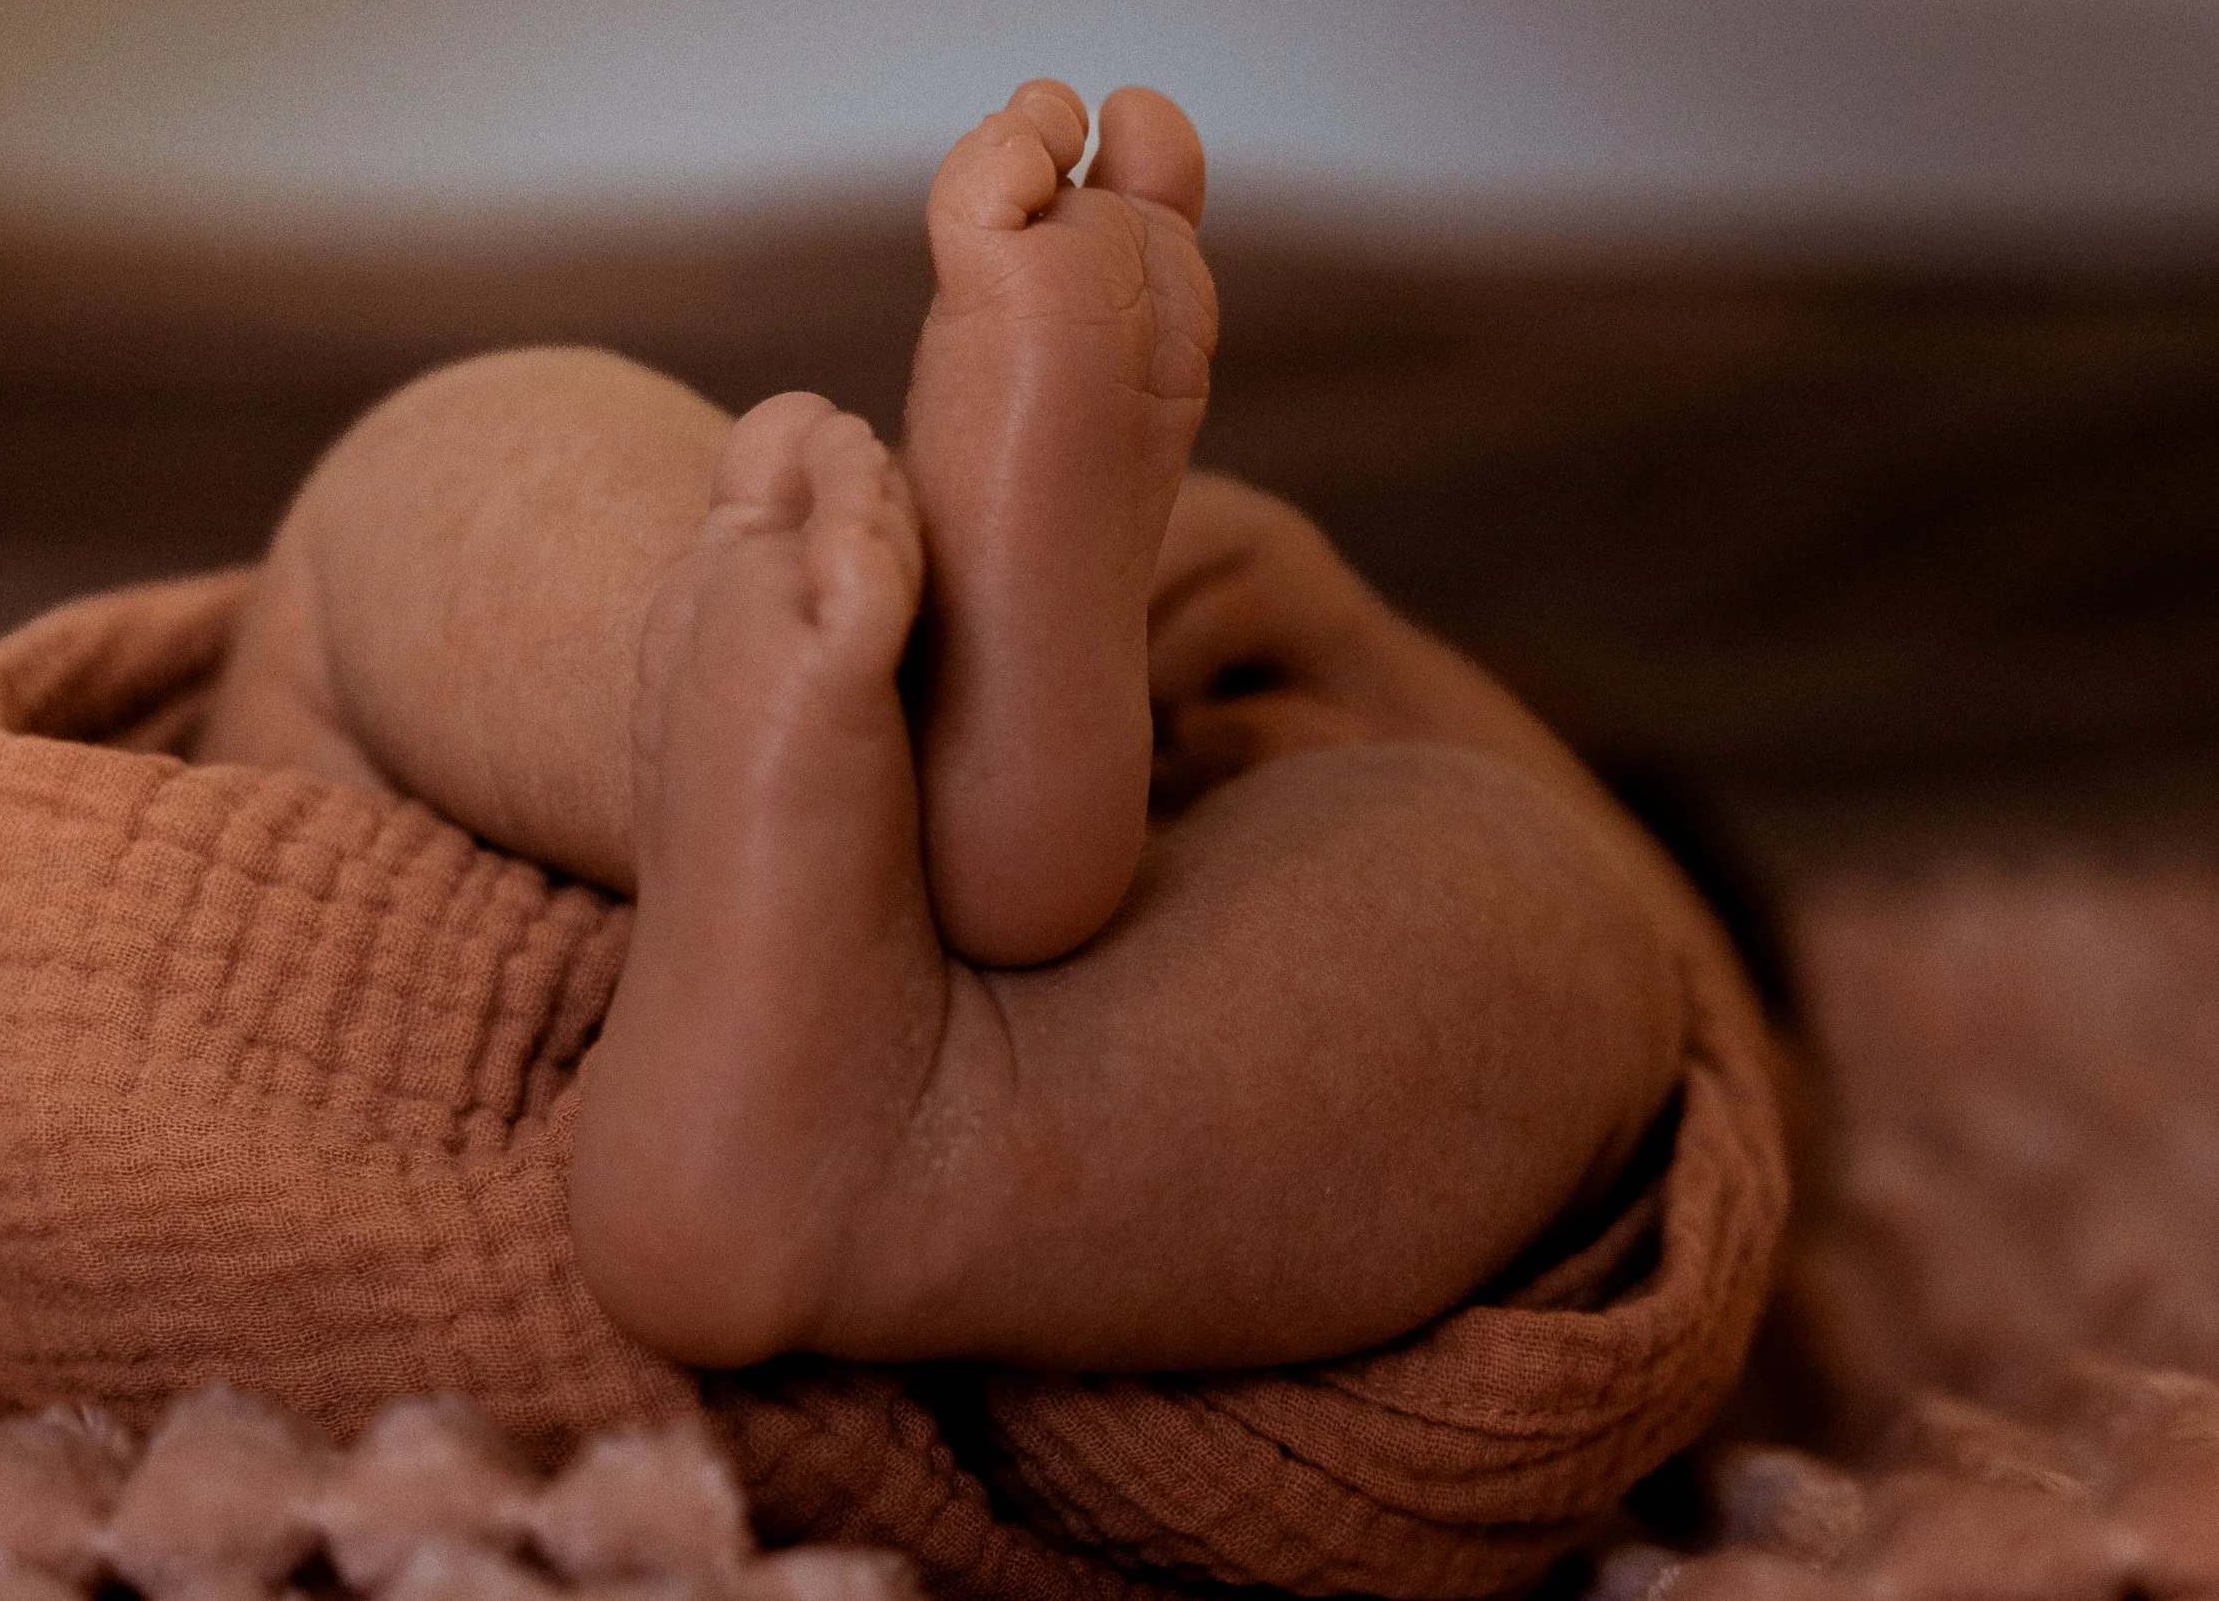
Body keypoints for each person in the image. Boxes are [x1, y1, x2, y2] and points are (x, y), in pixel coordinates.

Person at [187, 79, 1696, 1375]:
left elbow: (1711, 1006)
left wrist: (1355, 638)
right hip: (478, 933)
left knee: (1578, 938)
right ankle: (750, 697)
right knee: (505, 458)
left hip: (1028, 1209)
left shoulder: (1428, 851)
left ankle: (903, 1112)